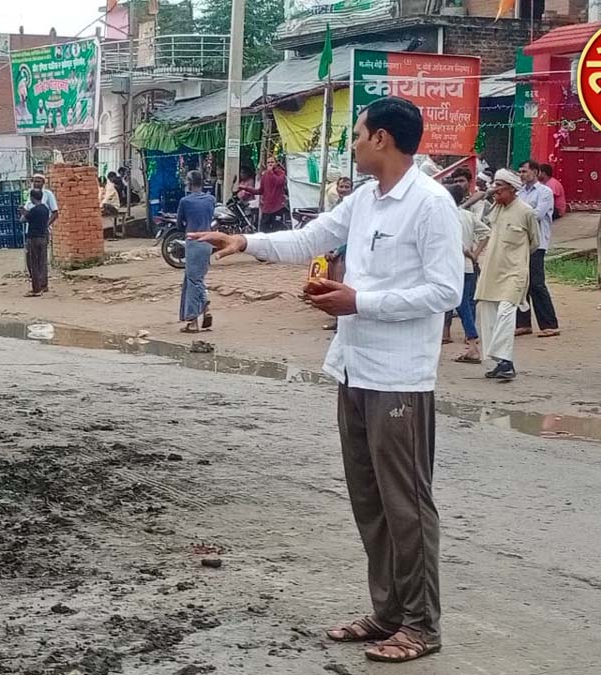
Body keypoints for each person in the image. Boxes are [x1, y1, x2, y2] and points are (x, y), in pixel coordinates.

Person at [191, 97, 461, 664]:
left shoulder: (430, 204)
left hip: (400, 379)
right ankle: (388, 613)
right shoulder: (365, 200)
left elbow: (446, 293)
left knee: (406, 504)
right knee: (370, 501)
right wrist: (244, 243)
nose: (353, 143)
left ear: (382, 139)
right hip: (354, 368)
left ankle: (421, 624)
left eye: (358, 133)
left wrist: (359, 301)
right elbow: (309, 239)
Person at [474, 170, 540, 382]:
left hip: (514, 271)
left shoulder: (526, 212)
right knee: (486, 310)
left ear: (512, 188)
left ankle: (504, 360)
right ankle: (503, 362)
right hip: (493, 270)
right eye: (493, 185)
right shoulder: (496, 208)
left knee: (505, 312)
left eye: (499, 186)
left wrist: (517, 259)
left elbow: (534, 242)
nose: (495, 190)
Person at [515, 159, 560, 338]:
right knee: (521, 283)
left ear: (535, 172)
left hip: (538, 243)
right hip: (520, 243)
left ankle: (550, 324)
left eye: (525, 171)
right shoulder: (519, 193)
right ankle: (523, 323)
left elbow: (538, 215)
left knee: (536, 283)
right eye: (520, 172)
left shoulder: (545, 192)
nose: (522, 174)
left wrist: (519, 215)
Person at [446, 183, 490, 363]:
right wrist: (476, 254)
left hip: (451, 266)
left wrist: (469, 253)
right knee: (464, 303)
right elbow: (486, 233)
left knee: (459, 304)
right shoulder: (468, 216)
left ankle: (472, 343)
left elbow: (455, 241)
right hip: (467, 266)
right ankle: (471, 341)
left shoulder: (447, 217)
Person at [178, 170, 217, 333]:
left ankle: (193, 320)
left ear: (188, 183)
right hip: (208, 241)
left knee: (194, 282)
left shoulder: (185, 201)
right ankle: (204, 309)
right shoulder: (211, 199)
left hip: (193, 242)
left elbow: (180, 224)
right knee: (193, 279)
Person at [239, 156, 288, 232]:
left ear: (276, 163)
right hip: (267, 208)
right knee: (263, 231)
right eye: (268, 162)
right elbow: (260, 191)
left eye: (272, 162)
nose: (270, 164)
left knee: (276, 231)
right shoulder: (265, 175)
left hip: (277, 208)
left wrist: (270, 172)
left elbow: (278, 182)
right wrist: (246, 188)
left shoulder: (281, 173)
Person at [23, 189, 51, 297]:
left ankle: (36, 289)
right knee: (42, 262)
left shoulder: (34, 210)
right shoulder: (45, 209)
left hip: (33, 238)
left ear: (32, 197)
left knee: (33, 263)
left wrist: (24, 212)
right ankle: (44, 285)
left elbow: (23, 219)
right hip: (43, 237)